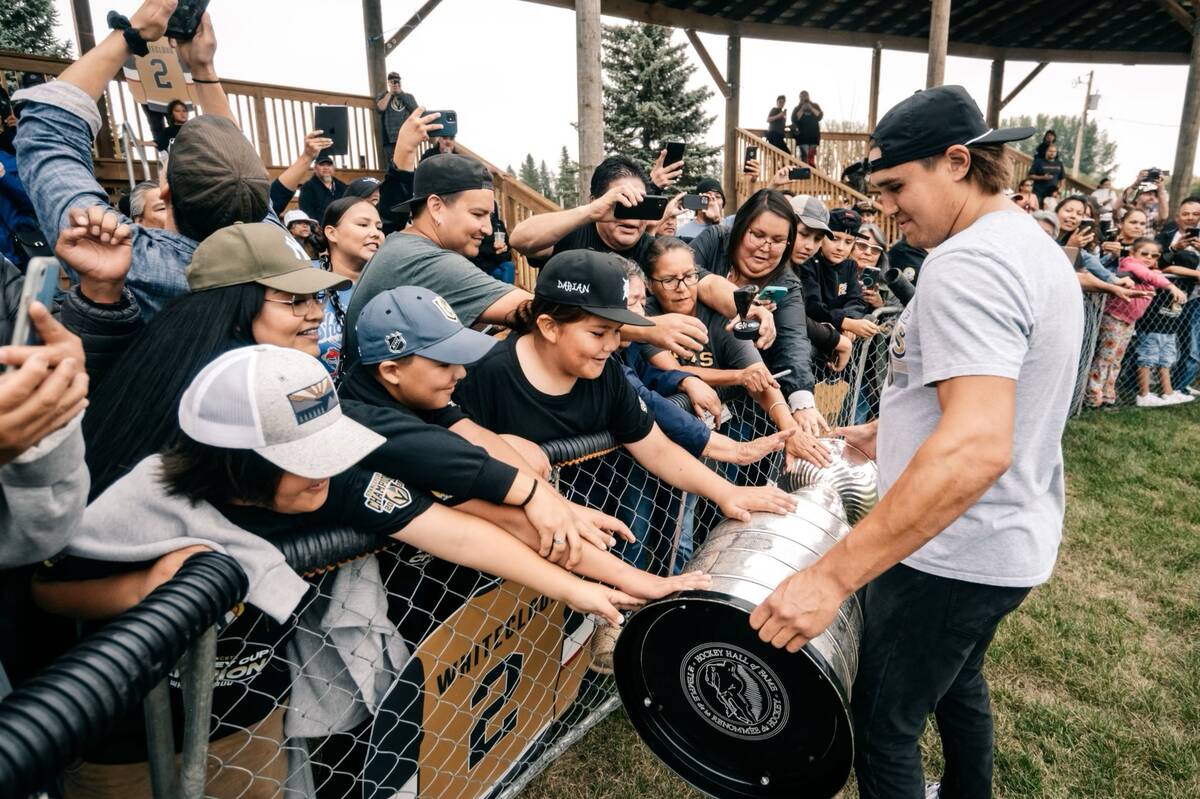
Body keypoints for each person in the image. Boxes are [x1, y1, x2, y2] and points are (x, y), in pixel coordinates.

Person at [36, 344, 650, 796]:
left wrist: (580, 589)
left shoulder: (333, 482)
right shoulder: (137, 502)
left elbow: (459, 535)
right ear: (234, 463)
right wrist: (146, 588)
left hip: (253, 717)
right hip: (127, 740)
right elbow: (46, 592)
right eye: (306, 460)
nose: (326, 473)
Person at [750, 86, 1083, 799]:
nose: (887, 211)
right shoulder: (1027, 243)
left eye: (898, 187)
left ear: (958, 162)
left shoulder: (969, 264)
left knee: (881, 725)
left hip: (951, 550)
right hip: (1008, 538)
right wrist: (896, 426)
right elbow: (996, 400)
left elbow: (974, 447)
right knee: (957, 679)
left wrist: (830, 576)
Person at [347, 284, 712, 597]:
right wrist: (543, 500)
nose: (460, 373)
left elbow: (474, 437)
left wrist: (556, 504)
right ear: (391, 370)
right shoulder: (362, 417)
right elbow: (461, 461)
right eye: (444, 364)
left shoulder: (419, 394)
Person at [348, 153, 775, 375]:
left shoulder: (646, 245)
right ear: (437, 208)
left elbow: (699, 279)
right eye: (477, 215)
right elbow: (535, 308)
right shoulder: (424, 259)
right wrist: (647, 326)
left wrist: (744, 304)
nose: (485, 229)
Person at [14, 4, 269, 317]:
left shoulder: (137, 265)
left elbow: (47, 131)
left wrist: (132, 33)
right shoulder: (274, 246)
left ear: (165, 190)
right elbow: (240, 169)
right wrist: (203, 68)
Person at [81, 222, 351, 497]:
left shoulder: (195, 354)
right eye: (296, 301)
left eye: (316, 298)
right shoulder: (228, 397)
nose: (317, 313)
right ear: (236, 310)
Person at [641, 236, 830, 470]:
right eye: (669, 280)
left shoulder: (718, 314)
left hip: (717, 429)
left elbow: (757, 373)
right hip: (657, 435)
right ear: (650, 283)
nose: (682, 288)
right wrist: (738, 377)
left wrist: (789, 428)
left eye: (689, 276)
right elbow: (673, 370)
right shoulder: (646, 317)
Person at [687, 189, 829, 438]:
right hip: (682, 380)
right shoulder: (716, 240)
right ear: (741, 229)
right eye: (757, 235)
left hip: (745, 409)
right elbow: (685, 273)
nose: (765, 248)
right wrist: (745, 306)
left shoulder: (787, 281)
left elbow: (793, 340)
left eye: (777, 240)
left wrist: (802, 402)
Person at [1087, 238, 1186, 409]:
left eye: (1154, 255)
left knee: (1116, 360)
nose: (1149, 258)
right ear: (1133, 253)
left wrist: (1160, 275)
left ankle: (1108, 396)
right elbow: (1145, 274)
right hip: (1114, 318)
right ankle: (1092, 398)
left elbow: (1151, 274)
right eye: (1144, 253)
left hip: (1129, 321)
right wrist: (1171, 287)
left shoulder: (1152, 272)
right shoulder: (1128, 263)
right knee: (1104, 358)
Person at [312, 196, 384, 372]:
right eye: (363, 224)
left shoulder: (389, 283)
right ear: (331, 233)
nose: (375, 232)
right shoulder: (305, 280)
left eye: (379, 227)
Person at [788, 195, 853, 373]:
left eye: (817, 239)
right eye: (804, 234)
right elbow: (788, 315)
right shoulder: (770, 265)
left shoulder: (798, 268)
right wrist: (835, 338)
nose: (810, 245)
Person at [799, 207, 879, 342]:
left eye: (848, 242)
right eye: (835, 239)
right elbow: (812, 305)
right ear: (822, 237)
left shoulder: (850, 266)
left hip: (841, 333)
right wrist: (845, 322)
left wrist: (851, 320)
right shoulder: (808, 262)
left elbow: (856, 299)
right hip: (812, 337)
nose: (841, 247)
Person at [375, 71, 419, 161]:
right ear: (388, 83)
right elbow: (381, 108)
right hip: (389, 139)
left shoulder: (408, 96)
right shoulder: (383, 96)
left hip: (406, 137)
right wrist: (390, 93)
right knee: (392, 165)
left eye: (396, 81)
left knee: (407, 163)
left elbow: (416, 110)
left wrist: (400, 94)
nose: (395, 83)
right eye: (392, 81)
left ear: (400, 82)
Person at [299, 155, 347, 224]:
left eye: (329, 165)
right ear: (315, 168)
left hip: (341, 225)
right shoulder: (308, 187)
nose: (326, 168)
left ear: (333, 168)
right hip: (319, 228)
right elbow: (306, 211)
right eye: (322, 165)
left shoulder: (342, 186)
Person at [790, 91, 823, 165]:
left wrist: (811, 108)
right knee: (804, 158)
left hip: (814, 137)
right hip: (802, 138)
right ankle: (804, 175)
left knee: (811, 159)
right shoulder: (797, 108)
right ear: (799, 98)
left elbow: (820, 116)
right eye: (802, 96)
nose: (804, 97)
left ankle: (811, 175)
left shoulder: (815, 105)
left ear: (808, 96)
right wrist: (802, 109)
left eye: (805, 95)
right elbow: (794, 119)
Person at [1027, 142, 1064, 208]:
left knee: (1049, 213)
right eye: (1050, 151)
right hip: (1038, 193)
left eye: (1054, 151)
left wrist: (1060, 189)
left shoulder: (1059, 163)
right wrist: (1043, 177)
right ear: (1046, 151)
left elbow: (1062, 178)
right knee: (1036, 211)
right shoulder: (1038, 162)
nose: (1052, 153)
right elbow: (1030, 175)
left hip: (1052, 194)